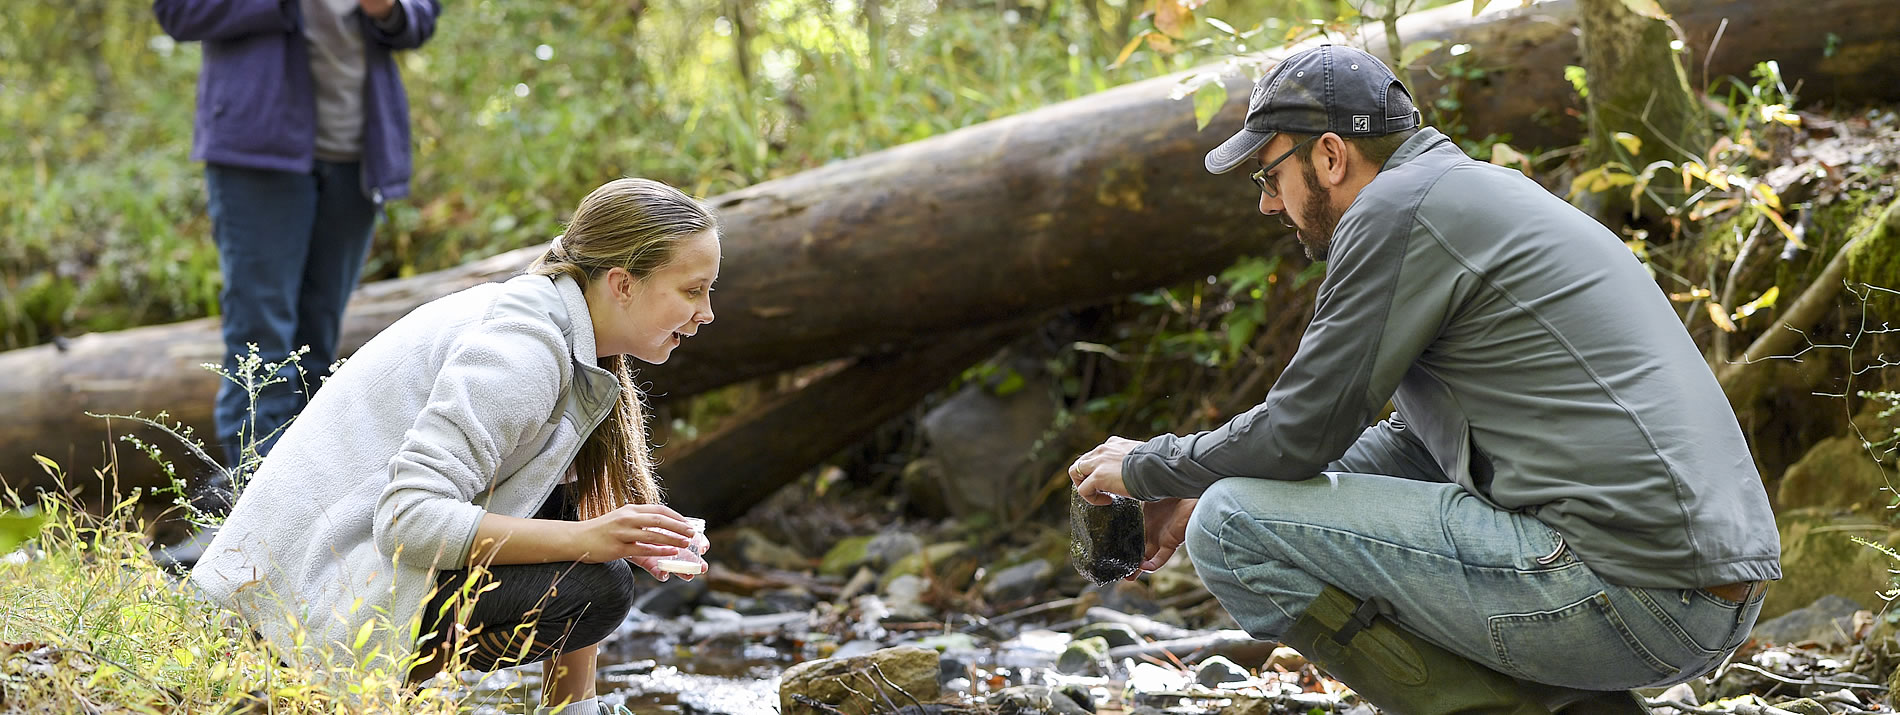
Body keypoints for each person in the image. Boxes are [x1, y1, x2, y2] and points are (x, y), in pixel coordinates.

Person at [1068, 44, 1781, 714]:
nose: (1266, 202)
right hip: (1706, 591)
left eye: (1269, 175)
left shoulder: (1395, 211)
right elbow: (1416, 446)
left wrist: (1149, 466)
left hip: (1630, 589)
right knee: (1229, 504)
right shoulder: (1463, 195)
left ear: (1329, 154)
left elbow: (1299, 431)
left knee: (1232, 529)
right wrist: (1209, 479)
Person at [190, 179, 720, 715]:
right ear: (622, 284)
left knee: (584, 553)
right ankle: (346, 697)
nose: (707, 313)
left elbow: (561, 510)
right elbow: (407, 521)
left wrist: (607, 539)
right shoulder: (524, 351)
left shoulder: (564, 329)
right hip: (275, 610)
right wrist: (591, 540)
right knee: (598, 585)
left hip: (321, 579)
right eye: (692, 290)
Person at [152, 0, 442, 473]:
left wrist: (390, 9)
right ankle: (252, 512)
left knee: (318, 345)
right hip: (257, 155)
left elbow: (420, 17)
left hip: (357, 156)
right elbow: (180, 13)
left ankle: (305, 509)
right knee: (259, 342)